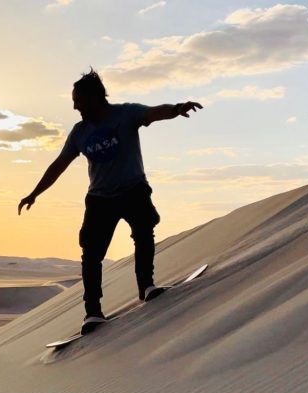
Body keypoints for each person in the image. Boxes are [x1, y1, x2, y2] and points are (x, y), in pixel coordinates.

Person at [18, 68, 202, 334]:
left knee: (144, 232)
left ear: (94, 97)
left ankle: (147, 287)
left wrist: (176, 108)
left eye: (78, 100)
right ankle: (92, 312)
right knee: (91, 255)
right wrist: (35, 193)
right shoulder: (79, 132)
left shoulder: (126, 113)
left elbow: (152, 112)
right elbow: (60, 164)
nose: (75, 106)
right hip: (100, 199)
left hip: (133, 189)